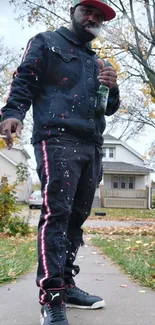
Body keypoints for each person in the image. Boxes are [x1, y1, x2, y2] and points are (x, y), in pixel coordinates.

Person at [0, 0, 120, 324]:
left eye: (100, 16)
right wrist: (12, 114)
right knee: (57, 216)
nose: (93, 18)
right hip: (57, 139)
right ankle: (51, 298)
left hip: (91, 145)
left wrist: (113, 87)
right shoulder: (46, 42)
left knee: (76, 219)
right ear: (73, 12)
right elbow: (24, 80)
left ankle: (66, 284)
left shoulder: (100, 62)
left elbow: (107, 108)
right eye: (88, 11)